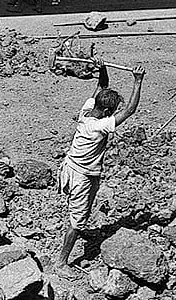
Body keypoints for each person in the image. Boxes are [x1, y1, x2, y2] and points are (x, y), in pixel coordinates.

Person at [56, 61, 145, 274]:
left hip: (75, 168)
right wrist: (137, 81)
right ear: (106, 110)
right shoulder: (98, 126)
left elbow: (101, 85)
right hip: (81, 175)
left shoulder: (86, 111)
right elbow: (130, 110)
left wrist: (102, 68)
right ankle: (61, 262)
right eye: (111, 111)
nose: (112, 114)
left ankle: (79, 225)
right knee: (77, 222)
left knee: (82, 210)